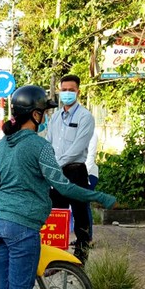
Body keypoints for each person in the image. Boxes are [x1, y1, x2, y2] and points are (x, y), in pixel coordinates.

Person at [0, 85, 117, 289]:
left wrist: (16, 184)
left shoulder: (3, 144)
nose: (45, 117)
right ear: (35, 114)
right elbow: (64, 186)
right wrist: (101, 197)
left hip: (0, 224)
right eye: (44, 112)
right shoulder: (39, 145)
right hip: (23, 228)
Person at [46, 73, 95, 263]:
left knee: (80, 214)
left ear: (78, 92)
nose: (67, 93)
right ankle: (55, 259)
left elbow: (77, 148)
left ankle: (81, 258)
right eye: (64, 90)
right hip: (56, 172)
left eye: (71, 90)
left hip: (75, 171)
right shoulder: (56, 117)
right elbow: (49, 143)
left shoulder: (85, 117)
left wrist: (55, 165)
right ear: (59, 91)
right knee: (56, 214)